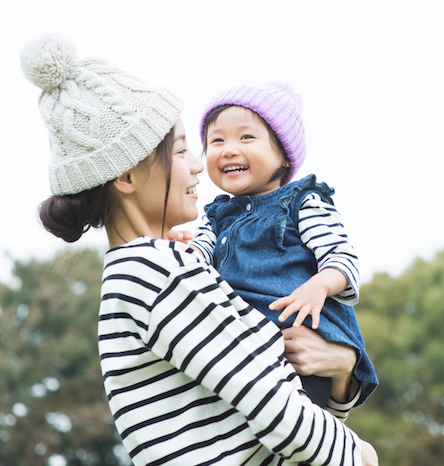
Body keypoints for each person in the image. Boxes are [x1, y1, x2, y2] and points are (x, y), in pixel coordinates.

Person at [22, 34, 378, 466]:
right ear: (127, 177)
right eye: (181, 149)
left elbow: (283, 394)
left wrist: (340, 369)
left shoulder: (157, 267)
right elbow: (273, 404)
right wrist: (358, 454)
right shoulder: (156, 271)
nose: (198, 164)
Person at [191, 83, 378, 407]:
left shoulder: (302, 202)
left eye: (246, 137)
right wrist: (180, 246)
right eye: (216, 140)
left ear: (282, 155)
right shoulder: (216, 216)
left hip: (300, 354)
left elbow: (342, 257)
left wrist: (318, 287)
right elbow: (196, 255)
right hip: (244, 352)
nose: (228, 149)